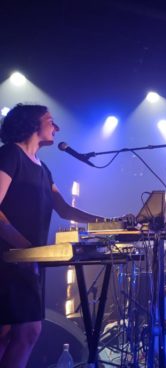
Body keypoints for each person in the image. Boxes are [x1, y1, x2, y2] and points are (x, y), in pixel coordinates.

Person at [0, 104, 114, 367]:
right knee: (21, 331)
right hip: (9, 258)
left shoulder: (42, 168)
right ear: (32, 124)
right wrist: (25, 248)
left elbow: (63, 209)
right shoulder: (10, 155)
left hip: (28, 260)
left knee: (17, 333)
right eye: (50, 121)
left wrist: (108, 222)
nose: (57, 127)